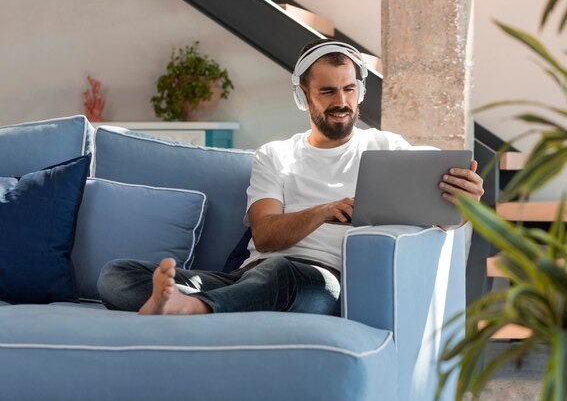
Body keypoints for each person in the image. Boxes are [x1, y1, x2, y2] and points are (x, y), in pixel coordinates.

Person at [97, 39, 484, 316]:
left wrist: (466, 202)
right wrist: (325, 211)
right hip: (251, 275)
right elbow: (265, 235)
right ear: (303, 96)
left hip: (318, 282)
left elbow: (446, 219)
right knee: (116, 274)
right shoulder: (276, 154)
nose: (342, 102)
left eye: (350, 89)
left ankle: (189, 305)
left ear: (360, 91)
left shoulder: (387, 146)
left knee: (298, 281)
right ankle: (198, 302)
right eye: (328, 91)